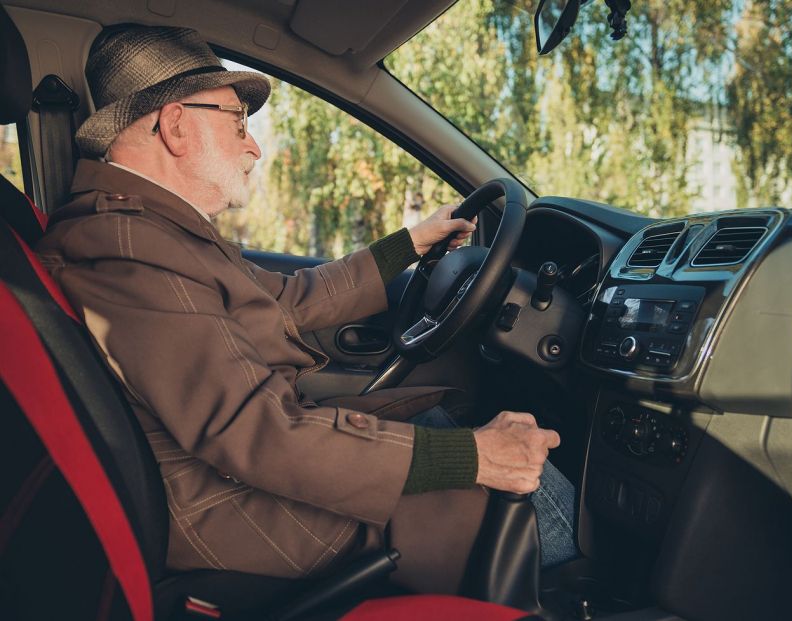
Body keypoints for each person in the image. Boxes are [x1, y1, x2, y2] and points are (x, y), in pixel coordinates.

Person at [36, 24, 577, 593]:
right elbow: (256, 432)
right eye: (237, 123)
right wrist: (474, 458)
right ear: (174, 125)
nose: (253, 146)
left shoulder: (160, 232)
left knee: (448, 417)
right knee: (529, 498)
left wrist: (409, 246)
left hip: (242, 476)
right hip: (233, 512)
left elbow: (286, 301)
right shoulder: (129, 251)